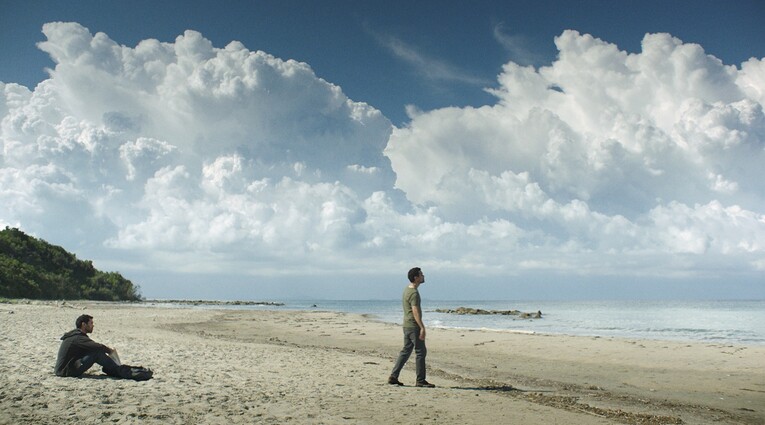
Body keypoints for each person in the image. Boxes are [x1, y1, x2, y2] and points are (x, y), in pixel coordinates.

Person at [55, 314, 152, 380]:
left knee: (97, 353)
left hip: (66, 369)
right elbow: (97, 346)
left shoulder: (76, 336)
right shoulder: (78, 338)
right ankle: (119, 370)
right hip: (66, 371)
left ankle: (115, 369)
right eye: (91, 323)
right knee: (97, 353)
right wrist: (110, 351)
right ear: (83, 325)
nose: (93, 325)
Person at [388, 267, 435, 388]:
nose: (423, 276)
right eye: (421, 274)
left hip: (406, 325)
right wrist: (422, 327)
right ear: (416, 277)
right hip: (413, 326)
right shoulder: (413, 293)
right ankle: (420, 380)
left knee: (406, 351)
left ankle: (393, 376)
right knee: (420, 352)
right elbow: (415, 311)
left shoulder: (406, 290)